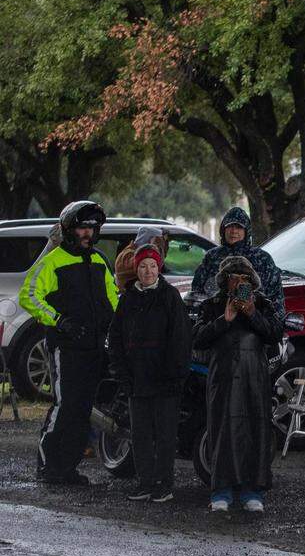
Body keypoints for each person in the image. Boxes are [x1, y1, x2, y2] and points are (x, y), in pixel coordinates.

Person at [19, 200, 118, 485]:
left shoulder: (99, 260)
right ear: (69, 230)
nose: (88, 233)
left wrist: (119, 326)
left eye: (92, 228)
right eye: (82, 228)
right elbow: (29, 295)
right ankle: (49, 466)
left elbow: (112, 300)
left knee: (84, 408)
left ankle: (69, 467)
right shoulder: (53, 261)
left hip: (96, 346)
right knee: (66, 405)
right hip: (66, 346)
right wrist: (58, 320)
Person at [192, 256, 283, 513]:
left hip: (254, 376)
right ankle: (221, 489)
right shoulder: (212, 306)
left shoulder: (262, 304)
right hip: (223, 377)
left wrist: (252, 313)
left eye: (244, 279)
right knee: (221, 430)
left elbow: (275, 332)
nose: (239, 283)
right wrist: (225, 319)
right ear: (225, 281)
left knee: (256, 430)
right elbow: (197, 338)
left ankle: (252, 490)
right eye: (234, 278)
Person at [108, 244, 192, 503]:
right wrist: (123, 374)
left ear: (159, 268)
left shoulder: (169, 296)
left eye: (152, 266)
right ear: (136, 268)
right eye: (143, 266)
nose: (147, 271)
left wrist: (175, 375)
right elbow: (117, 337)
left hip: (165, 380)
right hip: (136, 379)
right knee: (141, 434)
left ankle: (164, 484)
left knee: (165, 435)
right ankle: (145, 482)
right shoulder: (129, 299)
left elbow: (180, 338)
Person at [192, 207, 285, 319]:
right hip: (217, 320)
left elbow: (275, 297)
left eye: (239, 227)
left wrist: (275, 322)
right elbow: (197, 291)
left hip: (253, 321)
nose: (234, 231)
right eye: (230, 226)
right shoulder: (212, 257)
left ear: (246, 231)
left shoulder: (262, 258)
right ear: (223, 229)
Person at [113, 227, 169, 292]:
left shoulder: (130, 252)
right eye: (160, 241)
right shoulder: (127, 256)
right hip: (131, 298)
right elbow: (154, 262)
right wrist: (155, 245)